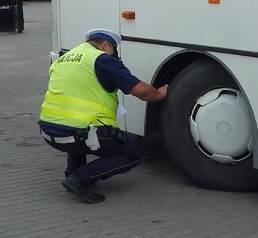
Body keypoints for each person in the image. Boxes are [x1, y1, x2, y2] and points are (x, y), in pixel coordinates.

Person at [38, 28, 168, 204]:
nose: (115, 57)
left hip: (48, 132)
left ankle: (72, 170)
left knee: (77, 127)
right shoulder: (102, 59)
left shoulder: (63, 59)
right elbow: (142, 91)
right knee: (132, 153)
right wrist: (159, 94)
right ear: (107, 45)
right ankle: (80, 178)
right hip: (77, 134)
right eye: (115, 51)